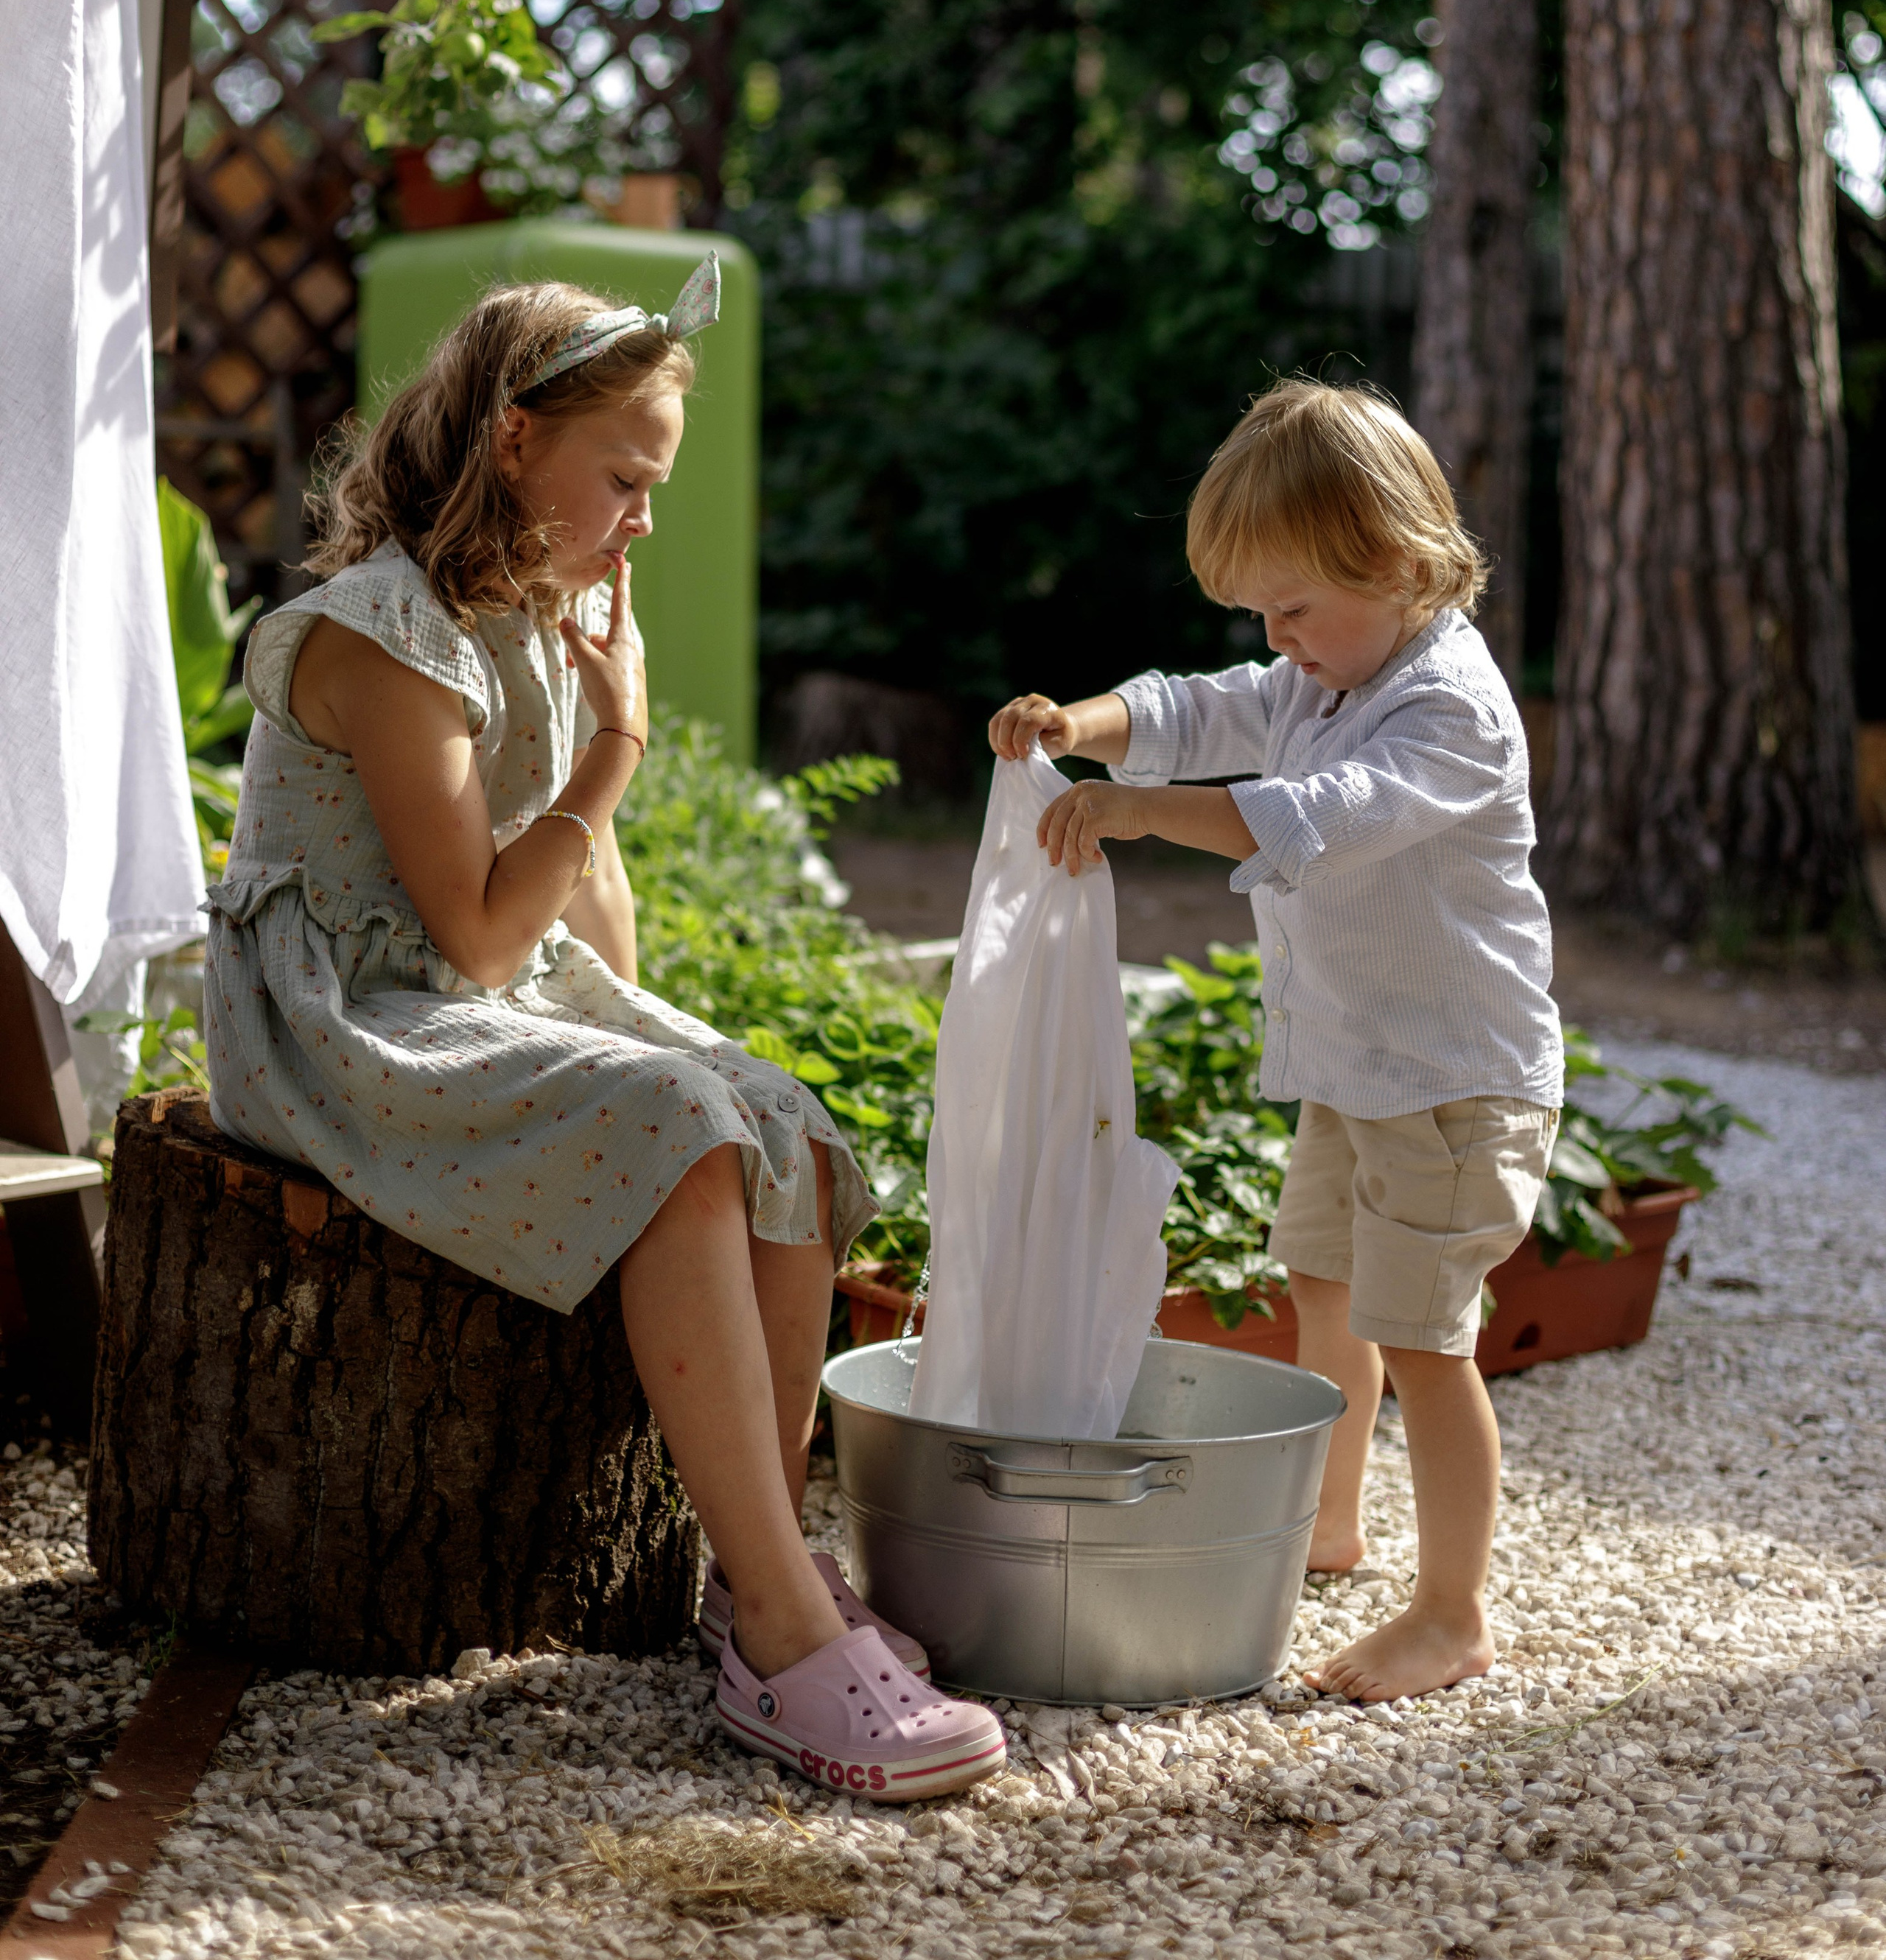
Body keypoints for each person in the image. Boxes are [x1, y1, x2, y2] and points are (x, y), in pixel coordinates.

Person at [203, 264, 1003, 1799]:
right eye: (624, 476)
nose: (644, 516)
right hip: (340, 1020)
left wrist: (654, 1035)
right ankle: (781, 1631)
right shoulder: (378, 632)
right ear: (514, 442)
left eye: (656, 483)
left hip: (468, 992)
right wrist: (621, 741)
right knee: (678, 1128)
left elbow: (583, 906)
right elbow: (482, 929)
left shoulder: (536, 610)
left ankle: (754, 1575)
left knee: (768, 1117)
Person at [986, 377, 1561, 1703]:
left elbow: (1311, 817)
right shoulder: (1322, 671)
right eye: (1261, 613)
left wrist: (1140, 812)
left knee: (1427, 1339)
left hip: (1454, 1086)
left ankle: (1454, 1609)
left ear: (1404, 564)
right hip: (1356, 1070)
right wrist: (1088, 726)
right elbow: (1198, 707)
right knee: (1323, 1288)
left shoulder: (1447, 712)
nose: (1276, 638)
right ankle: (1333, 1520)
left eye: (1293, 607)